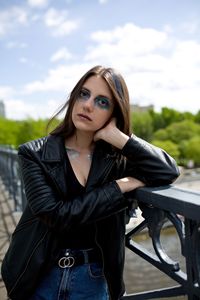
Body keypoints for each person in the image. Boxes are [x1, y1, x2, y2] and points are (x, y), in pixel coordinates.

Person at [1, 65, 180, 300]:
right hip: (38, 275)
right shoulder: (35, 154)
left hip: (94, 278)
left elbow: (168, 170)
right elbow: (57, 215)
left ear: (114, 114)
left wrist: (122, 139)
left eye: (102, 102)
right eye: (84, 94)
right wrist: (119, 187)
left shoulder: (116, 160)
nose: (87, 105)